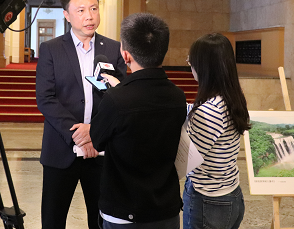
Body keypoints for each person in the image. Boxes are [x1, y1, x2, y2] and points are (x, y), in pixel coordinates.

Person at [35, 0, 127, 229]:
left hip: (101, 152)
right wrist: (78, 134)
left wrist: (94, 131)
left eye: (94, 9)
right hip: (61, 149)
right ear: (67, 15)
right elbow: (45, 98)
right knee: (53, 220)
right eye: (81, 10)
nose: (89, 16)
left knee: (100, 221)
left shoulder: (113, 49)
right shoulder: (51, 49)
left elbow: (119, 99)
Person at [90, 13, 187, 229]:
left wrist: (113, 94)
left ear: (125, 55)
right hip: (166, 210)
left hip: (124, 211)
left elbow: (96, 140)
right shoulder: (178, 96)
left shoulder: (116, 100)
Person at [183, 33, 251, 229]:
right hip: (231, 192)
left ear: (204, 67)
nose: (190, 66)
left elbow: (187, 161)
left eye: (191, 61)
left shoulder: (208, 111)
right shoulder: (231, 97)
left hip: (208, 201)